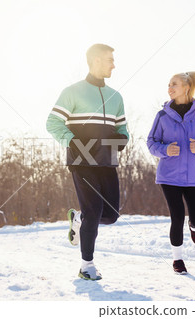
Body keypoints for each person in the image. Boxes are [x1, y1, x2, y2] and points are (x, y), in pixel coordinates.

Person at [46, 44, 129, 280]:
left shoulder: (116, 97)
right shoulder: (72, 92)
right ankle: (87, 265)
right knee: (94, 211)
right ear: (95, 61)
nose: (114, 64)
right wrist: (72, 142)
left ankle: (79, 219)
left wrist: (122, 139)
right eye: (109, 59)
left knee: (111, 215)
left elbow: (123, 128)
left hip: (107, 162)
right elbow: (52, 123)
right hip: (81, 162)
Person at [147, 70, 195, 274]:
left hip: (194, 176)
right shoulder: (162, 115)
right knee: (177, 215)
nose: (169, 88)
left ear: (186, 88)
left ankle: (194, 226)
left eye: (174, 84)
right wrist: (165, 150)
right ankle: (177, 260)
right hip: (168, 175)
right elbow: (151, 142)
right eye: (169, 84)